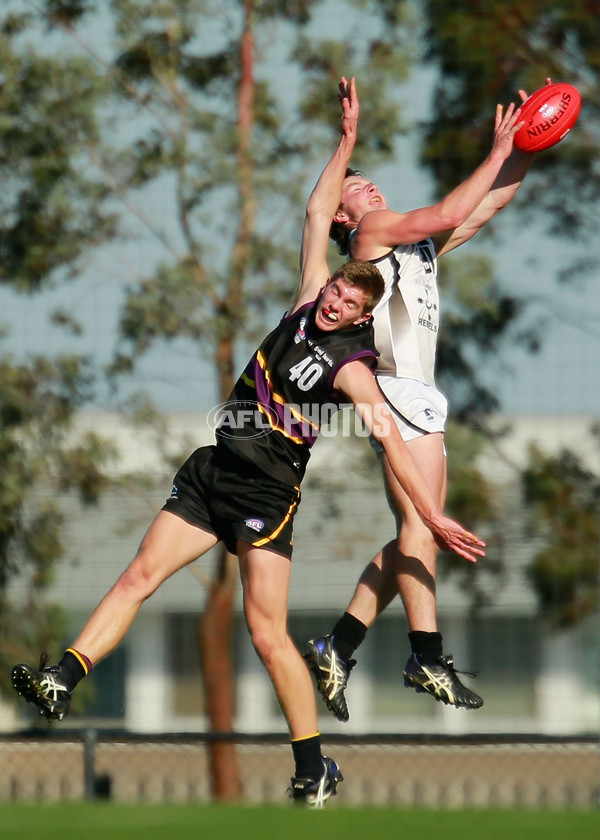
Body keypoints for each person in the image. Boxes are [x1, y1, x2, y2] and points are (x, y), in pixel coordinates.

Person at [11, 78, 484, 808]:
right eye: (333, 291)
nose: (334, 300)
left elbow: (391, 441)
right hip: (212, 472)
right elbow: (319, 207)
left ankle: (313, 764)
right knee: (139, 576)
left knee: (266, 636)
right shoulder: (305, 299)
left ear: (365, 311)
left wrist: (431, 514)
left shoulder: (356, 370)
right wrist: (347, 140)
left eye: (351, 301)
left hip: (267, 495)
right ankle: (63, 678)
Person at [304, 79, 542, 723]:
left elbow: (485, 206)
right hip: (399, 392)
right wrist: (495, 150)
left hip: (416, 398)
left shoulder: (411, 246)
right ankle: (425, 655)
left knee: (415, 531)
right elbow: (443, 212)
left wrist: (532, 140)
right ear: (343, 217)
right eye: (356, 186)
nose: (370, 186)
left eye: (369, 178)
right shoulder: (373, 235)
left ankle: (339, 645)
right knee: (422, 528)